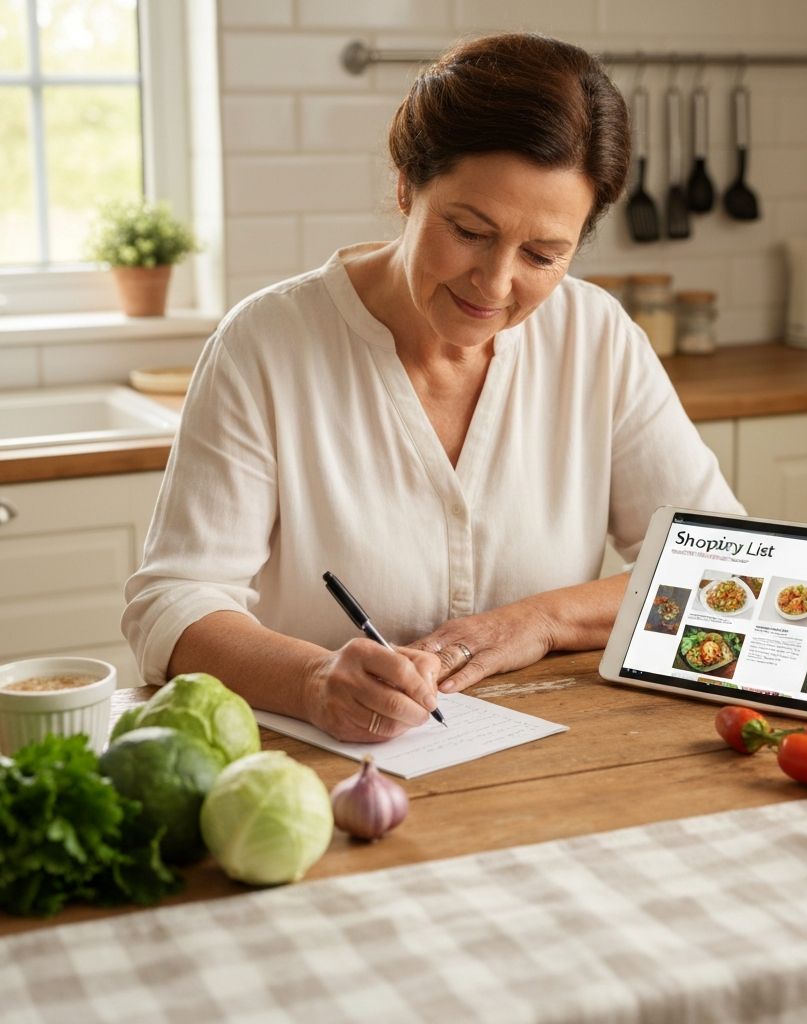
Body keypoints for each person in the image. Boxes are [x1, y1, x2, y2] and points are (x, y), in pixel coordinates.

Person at [122, 32, 743, 743]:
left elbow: (720, 556)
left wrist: (538, 621)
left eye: (543, 254)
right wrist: (313, 681)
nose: (497, 282)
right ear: (405, 187)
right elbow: (172, 602)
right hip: (324, 765)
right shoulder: (265, 344)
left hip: (551, 759)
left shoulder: (596, 336)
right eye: (470, 231)